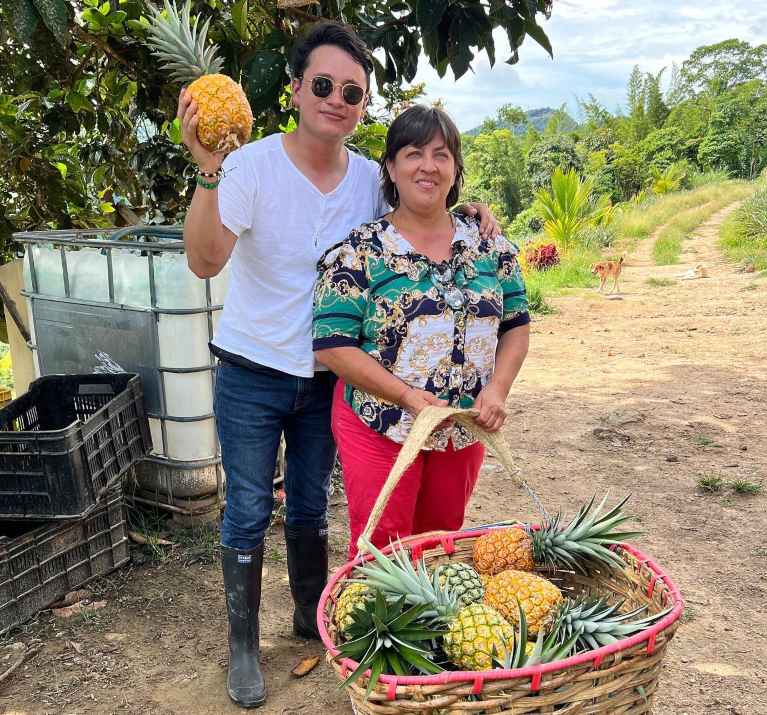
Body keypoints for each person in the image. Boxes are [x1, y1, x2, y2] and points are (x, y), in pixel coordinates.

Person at [178, 22, 498, 709]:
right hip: (252, 367)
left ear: (361, 105)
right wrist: (206, 166)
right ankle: (242, 647)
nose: (335, 99)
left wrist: (471, 212)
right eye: (322, 85)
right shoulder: (249, 166)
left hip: (331, 375)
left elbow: (421, 208)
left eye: (351, 91)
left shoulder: (366, 179)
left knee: (310, 502)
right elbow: (205, 260)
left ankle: (305, 615)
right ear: (294, 91)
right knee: (245, 506)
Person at [313, 104, 531, 561]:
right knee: (382, 550)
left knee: (439, 545)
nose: (428, 166)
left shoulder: (489, 244)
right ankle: (373, 633)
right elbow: (333, 346)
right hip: (381, 424)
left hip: (461, 426)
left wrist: (497, 389)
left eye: (441, 154)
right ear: (391, 167)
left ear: (455, 169)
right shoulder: (358, 252)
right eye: (413, 153)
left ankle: (426, 634)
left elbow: (515, 324)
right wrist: (408, 397)